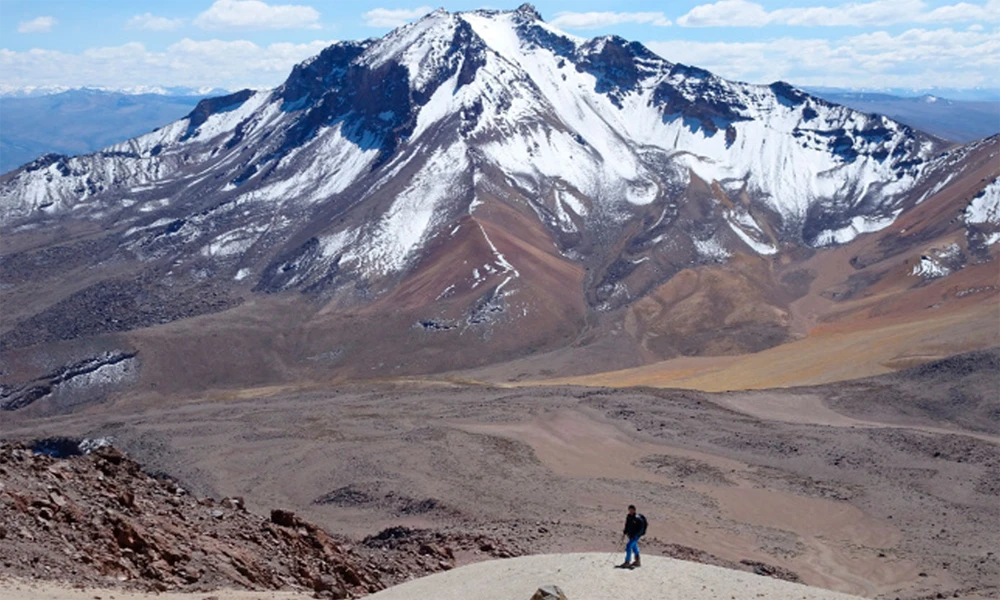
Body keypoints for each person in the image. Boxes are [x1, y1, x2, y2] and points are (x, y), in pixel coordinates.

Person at [618, 504, 646, 568]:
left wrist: (636, 535)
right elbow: (627, 525)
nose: (630, 511)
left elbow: (641, 529)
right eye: (629, 510)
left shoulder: (638, 518)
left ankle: (627, 561)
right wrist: (625, 531)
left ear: (634, 510)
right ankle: (637, 561)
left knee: (629, 546)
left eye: (631, 510)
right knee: (634, 546)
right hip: (630, 535)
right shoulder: (629, 517)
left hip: (635, 536)